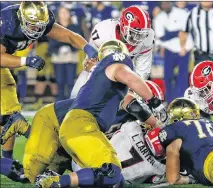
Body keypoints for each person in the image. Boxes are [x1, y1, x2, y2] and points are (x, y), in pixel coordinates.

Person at [36, 39, 165, 187]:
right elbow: (134, 104)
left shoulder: (105, 81)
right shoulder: (128, 98)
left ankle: (55, 173)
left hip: (78, 139)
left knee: (116, 181)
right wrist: (156, 114)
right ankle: (56, 180)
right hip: (86, 140)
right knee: (112, 174)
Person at [0, 2, 97, 158]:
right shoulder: (7, 22)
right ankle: (19, 136)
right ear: (22, 19)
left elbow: (69, 36)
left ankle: (7, 161)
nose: (37, 30)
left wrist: (87, 48)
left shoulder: (41, 23)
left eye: (40, 26)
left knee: (9, 111)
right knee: (7, 113)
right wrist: (25, 61)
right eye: (33, 26)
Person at [70, 5, 155, 99]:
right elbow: (91, 63)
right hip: (95, 73)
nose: (138, 38)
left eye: (142, 34)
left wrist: (134, 90)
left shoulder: (148, 37)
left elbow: (142, 70)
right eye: (134, 33)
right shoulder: (104, 30)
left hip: (124, 77)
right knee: (75, 100)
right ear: (123, 26)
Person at [49, 6, 81, 101]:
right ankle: (60, 103)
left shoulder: (74, 27)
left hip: (71, 57)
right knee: (60, 82)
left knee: (70, 82)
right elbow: (52, 41)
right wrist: (60, 47)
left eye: (65, 12)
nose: (63, 15)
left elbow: (77, 40)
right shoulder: (54, 27)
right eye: (61, 12)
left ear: (69, 14)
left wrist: (69, 47)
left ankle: (70, 102)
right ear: (58, 15)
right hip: (58, 58)